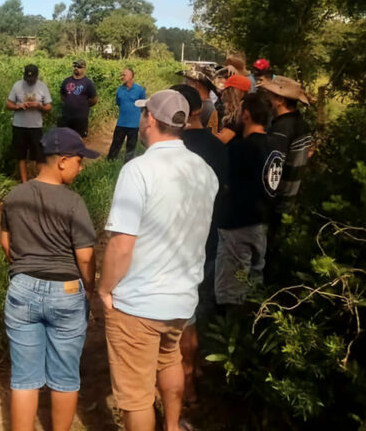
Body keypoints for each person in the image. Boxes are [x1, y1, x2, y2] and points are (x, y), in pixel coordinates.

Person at [98, 90, 218, 431]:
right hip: (181, 299)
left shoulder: (139, 170)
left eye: (143, 114)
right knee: (170, 361)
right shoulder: (204, 171)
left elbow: (122, 243)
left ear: (150, 119)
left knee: (136, 396)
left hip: (140, 302)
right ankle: (172, 425)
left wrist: (106, 289)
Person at [1, 127, 98, 431]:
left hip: (22, 287)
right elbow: (84, 256)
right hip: (66, 290)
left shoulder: (14, 195)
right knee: (65, 377)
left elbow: (7, 245)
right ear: (62, 161)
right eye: (79, 162)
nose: (80, 168)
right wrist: (89, 290)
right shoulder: (73, 202)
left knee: (24, 379)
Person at [170, 84, 228, 404]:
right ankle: (194, 375)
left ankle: (176, 383)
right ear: (198, 109)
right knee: (198, 312)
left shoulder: (170, 148)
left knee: (177, 320)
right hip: (209, 239)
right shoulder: (218, 147)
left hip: (175, 244)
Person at [215, 93, 283, 306]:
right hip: (263, 222)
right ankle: (251, 328)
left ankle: (230, 333)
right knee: (254, 280)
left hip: (237, 224)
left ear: (246, 115)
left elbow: (225, 184)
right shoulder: (275, 147)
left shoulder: (239, 149)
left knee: (231, 290)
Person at [260, 76, 314, 223]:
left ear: (280, 100)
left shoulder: (281, 130)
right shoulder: (301, 124)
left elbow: (272, 168)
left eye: (270, 96)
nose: (267, 99)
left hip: (277, 203)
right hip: (291, 198)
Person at [6, 64, 53, 181]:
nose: (30, 81)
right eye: (27, 78)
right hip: (19, 125)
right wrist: (18, 106)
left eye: (32, 79)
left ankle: (41, 181)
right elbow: (8, 104)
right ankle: (24, 182)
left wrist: (39, 106)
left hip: (35, 126)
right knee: (21, 156)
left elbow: (48, 107)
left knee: (39, 156)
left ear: (37, 76)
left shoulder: (42, 87)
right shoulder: (17, 85)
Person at [107, 68, 146, 162]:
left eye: (125, 75)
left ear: (131, 77)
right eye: (122, 75)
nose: (122, 77)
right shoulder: (120, 90)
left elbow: (143, 104)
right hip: (121, 123)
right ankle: (110, 162)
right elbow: (119, 102)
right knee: (115, 145)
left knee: (131, 147)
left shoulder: (139, 90)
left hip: (134, 125)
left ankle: (128, 164)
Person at [58, 59, 97, 137]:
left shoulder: (88, 83)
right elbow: (62, 96)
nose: (76, 68)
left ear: (84, 68)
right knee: (65, 138)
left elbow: (94, 100)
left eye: (79, 66)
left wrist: (83, 105)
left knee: (78, 140)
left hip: (81, 118)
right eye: (75, 66)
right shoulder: (66, 81)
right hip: (67, 116)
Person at [178, 64, 219, 134]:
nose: (186, 83)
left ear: (196, 83)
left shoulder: (203, 108)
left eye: (188, 81)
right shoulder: (209, 106)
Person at [215, 74, 251, 144]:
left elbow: (223, 139)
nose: (224, 93)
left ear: (236, 92)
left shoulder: (241, 111)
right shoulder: (237, 109)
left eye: (228, 90)